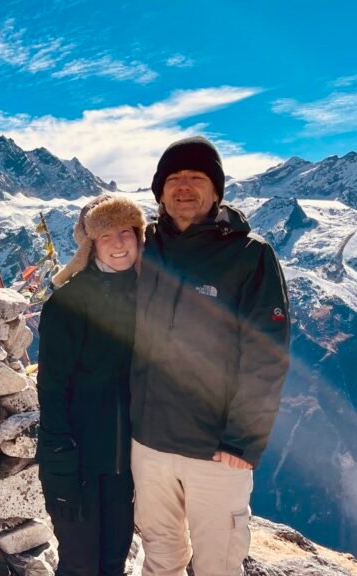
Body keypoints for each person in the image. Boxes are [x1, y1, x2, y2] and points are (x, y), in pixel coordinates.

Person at [129, 136, 291, 576]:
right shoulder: (141, 248)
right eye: (174, 179)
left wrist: (243, 440)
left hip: (216, 452)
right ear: (159, 191)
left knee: (218, 565)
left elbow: (266, 354)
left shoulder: (249, 255)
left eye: (196, 178)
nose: (184, 187)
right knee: (160, 558)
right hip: (147, 445)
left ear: (217, 191)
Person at [37, 194, 146, 576]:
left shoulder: (147, 296)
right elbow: (51, 387)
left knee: (113, 560)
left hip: (124, 464)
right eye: (105, 236)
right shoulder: (68, 302)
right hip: (78, 460)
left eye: (126, 232)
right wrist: (59, 458)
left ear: (139, 236)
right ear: (90, 246)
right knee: (81, 564)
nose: (119, 244)